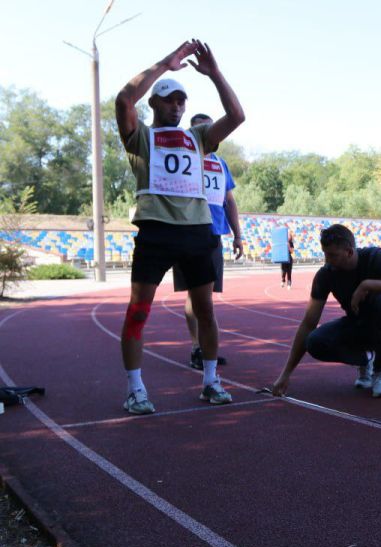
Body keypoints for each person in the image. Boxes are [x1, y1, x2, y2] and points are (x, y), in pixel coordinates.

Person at [116, 40, 245, 415]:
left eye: (181, 101)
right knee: (139, 311)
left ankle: (210, 382)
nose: (177, 106)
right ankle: (136, 389)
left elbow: (237, 116)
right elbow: (124, 99)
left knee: (205, 311)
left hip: (196, 233)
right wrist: (165, 65)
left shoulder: (198, 138)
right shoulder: (140, 137)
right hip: (156, 231)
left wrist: (216, 74)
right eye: (169, 99)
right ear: (154, 104)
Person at [270, 224, 381, 398]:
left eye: (332, 255)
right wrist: (286, 374)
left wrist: (367, 285)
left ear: (349, 252)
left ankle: (380, 372)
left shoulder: (375, 257)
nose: (327, 260)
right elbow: (309, 323)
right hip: (358, 326)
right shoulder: (325, 274)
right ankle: (365, 358)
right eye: (325, 254)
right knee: (314, 342)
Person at [172, 113, 244, 371]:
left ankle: (206, 347)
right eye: (199, 129)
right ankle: (197, 347)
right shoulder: (182, 160)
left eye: (209, 128)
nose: (205, 133)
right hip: (188, 231)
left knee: (207, 296)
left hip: (214, 234)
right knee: (195, 295)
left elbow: (229, 200)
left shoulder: (221, 163)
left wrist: (238, 234)